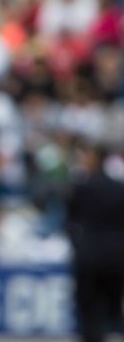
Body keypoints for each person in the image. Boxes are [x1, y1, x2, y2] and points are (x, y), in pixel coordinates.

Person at [67, 145, 124, 342]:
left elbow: (70, 222)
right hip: (118, 256)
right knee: (114, 308)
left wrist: (78, 246)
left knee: (90, 312)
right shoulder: (119, 189)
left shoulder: (83, 188)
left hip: (90, 256)